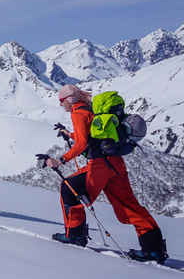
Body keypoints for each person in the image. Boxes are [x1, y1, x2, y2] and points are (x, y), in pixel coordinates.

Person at [45, 83, 167, 262]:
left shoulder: (78, 113)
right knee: (128, 206)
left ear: (70, 99)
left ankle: (75, 235)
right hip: (116, 163)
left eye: (62, 100)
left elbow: (82, 144)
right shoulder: (89, 110)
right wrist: (70, 134)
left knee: (69, 188)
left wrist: (61, 160)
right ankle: (154, 250)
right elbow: (91, 135)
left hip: (100, 165)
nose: (60, 104)